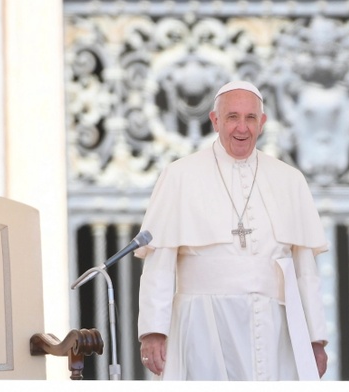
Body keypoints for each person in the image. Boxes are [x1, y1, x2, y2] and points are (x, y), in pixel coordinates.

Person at [135, 80, 329, 381]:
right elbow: (159, 262)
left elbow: (305, 269)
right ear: (215, 120)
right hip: (202, 322)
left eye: (251, 118)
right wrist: (153, 330)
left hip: (274, 326)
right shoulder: (179, 175)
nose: (242, 128)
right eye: (232, 117)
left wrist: (315, 338)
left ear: (262, 123)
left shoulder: (290, 180)